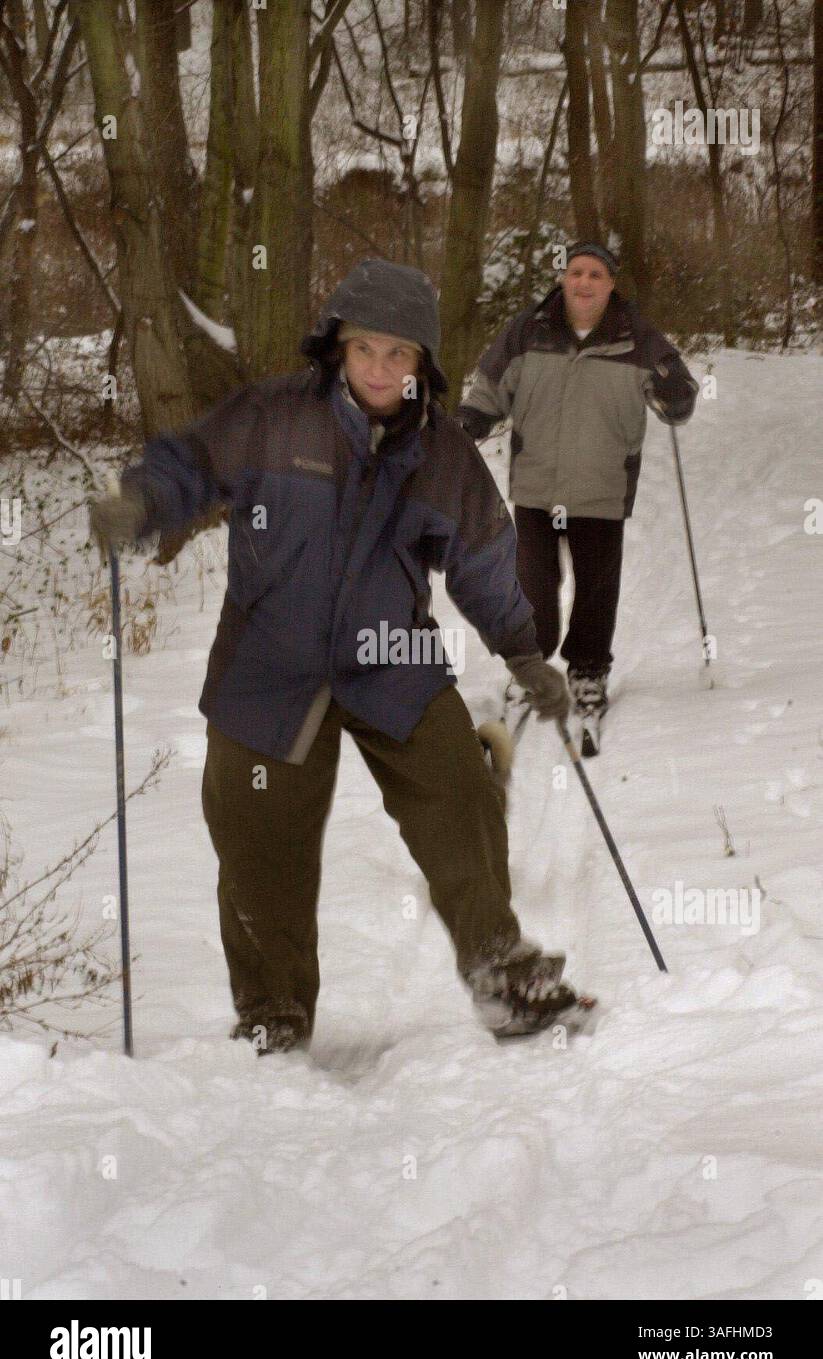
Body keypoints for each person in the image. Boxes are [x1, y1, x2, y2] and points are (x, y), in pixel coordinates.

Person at [88, 258, 581, 1054]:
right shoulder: (272, 418)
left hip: (390, 657)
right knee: (256, 839)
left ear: (421, 365)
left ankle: (502, 972)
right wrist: (142, 501)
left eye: (400, 355)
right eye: (366, 351)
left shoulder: (442, 453)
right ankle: (272, 1012)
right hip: (268, 665)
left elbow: (483, 559)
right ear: (338, 351)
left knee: (458, 789)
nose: (380, 370)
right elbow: (192, 463)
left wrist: (524, 654)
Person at [457, 241, 698, 750]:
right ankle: (531, 666)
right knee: (532, 585)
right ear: (563, 279)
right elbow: (491, 384)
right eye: (575, 273)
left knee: (595, 587)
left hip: (603, 486)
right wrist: (473, 419)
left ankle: (588, 672)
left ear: (611, 283)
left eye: (595, 274)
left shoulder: (638, 337)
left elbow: (675, 384)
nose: (583, 283)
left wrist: (677, 396)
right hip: (537, 485)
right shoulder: (528, 330)